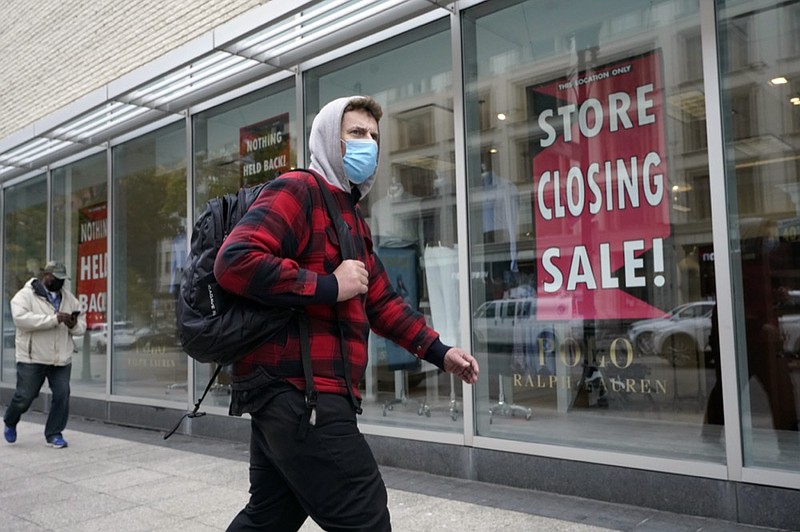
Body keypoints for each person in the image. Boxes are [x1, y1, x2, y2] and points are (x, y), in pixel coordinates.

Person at [214, 95, 479, 532]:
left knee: (270, 516)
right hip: (300, 390)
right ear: (328, 140)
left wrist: (440, 352)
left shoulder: (351, 217)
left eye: (374, 137)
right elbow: (235, 260)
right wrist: (329, 286)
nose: (368, 144)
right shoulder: (298, 190)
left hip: (297, 392)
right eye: (356, 133)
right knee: (365, 512)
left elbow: (381, 301)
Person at [3, 261, 86, 448]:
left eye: (63, 280)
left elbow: (82, 326)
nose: (60, 283)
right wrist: (53, 319)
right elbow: (21, 319)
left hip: (61, 357)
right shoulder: (25, 296)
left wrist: (73, 324)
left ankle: (54, 433)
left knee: (62, 395)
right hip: (33, 357)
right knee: (25, 396)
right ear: (46, 276)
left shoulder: (70, 299)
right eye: (56, 279)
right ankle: (10, 419)